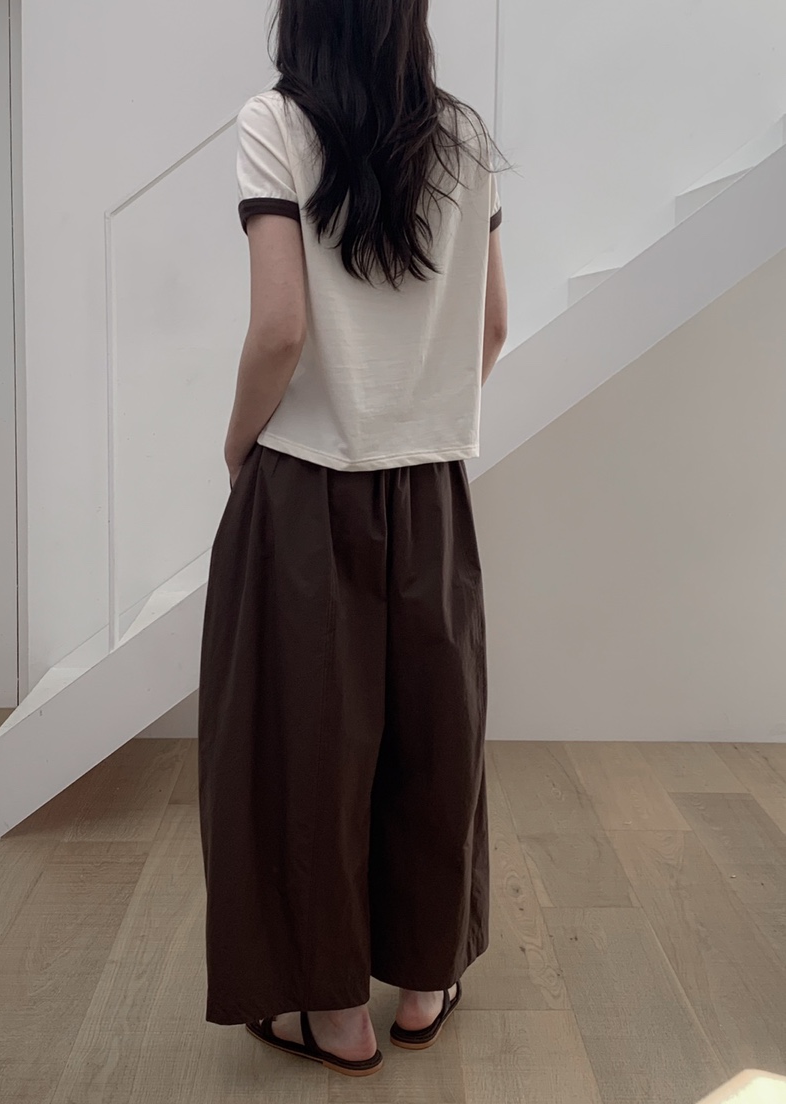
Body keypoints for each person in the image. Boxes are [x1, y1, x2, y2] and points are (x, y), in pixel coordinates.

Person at [197, 0, 509, 1079]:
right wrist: (420, 407)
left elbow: (280, 326)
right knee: (435, 732)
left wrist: (238, 443)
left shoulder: (276, 123)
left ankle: (337, 1015)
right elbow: (493, 325)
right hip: (429, 488)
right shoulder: (463, 134)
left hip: (305, 483)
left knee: (304, 749)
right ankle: (423, 984)